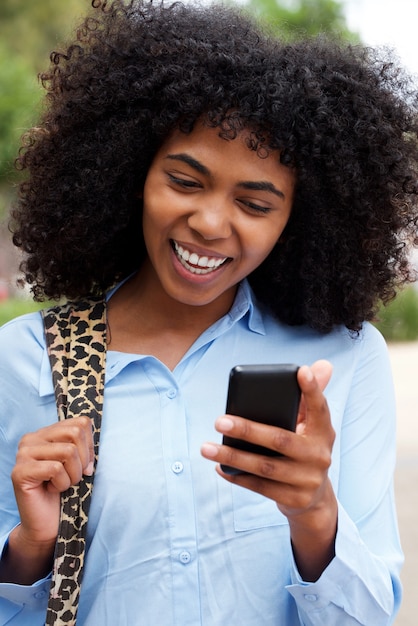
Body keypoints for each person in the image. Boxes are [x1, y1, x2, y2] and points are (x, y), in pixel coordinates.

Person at [0, 1, 417, 624]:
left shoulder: (346, 359)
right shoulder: (22, 359)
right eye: (186, 181)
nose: (210, 223)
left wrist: (314, 514)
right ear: (129, 172)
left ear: (296, 223)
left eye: (255, 203)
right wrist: (29, 548)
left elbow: (366, 616)